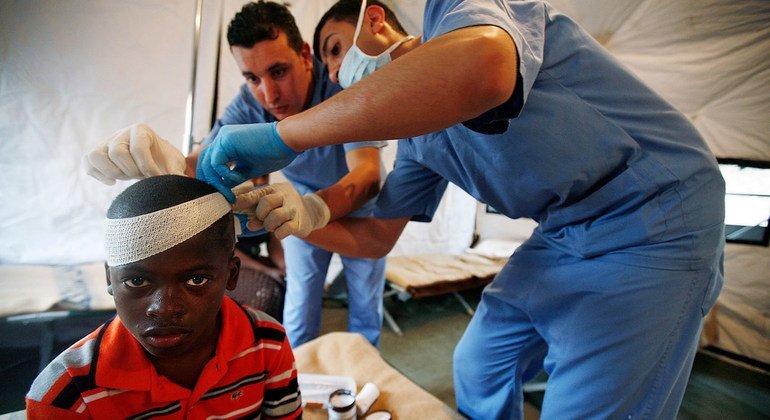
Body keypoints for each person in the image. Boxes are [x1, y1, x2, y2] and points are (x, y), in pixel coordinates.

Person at [200, 0, 726, 418]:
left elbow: (486, 69)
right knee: (479, 363)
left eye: (336, 50)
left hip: (656, 213)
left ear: (375, 20)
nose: (337, 74)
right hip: (565, 230)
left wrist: (283, 139)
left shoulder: (462, 13)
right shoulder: (422, 145)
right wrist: (296, 219)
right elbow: (377, 237)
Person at [84, 1, 389, 348]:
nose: (269, 95)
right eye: (252, 78)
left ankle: (369, 383)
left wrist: (314, 209)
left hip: (350, 209)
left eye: (279, 71)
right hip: (296, 211)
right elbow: (202, 162)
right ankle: (295, 388)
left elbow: (367, 175)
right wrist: (162, 159)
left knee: (365, 307)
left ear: (306, 55)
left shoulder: (340, 80)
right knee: (299, 307)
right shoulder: (248, 103)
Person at [25, 175, 301, 418]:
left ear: (231, 275)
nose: (165, 308)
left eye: (196, 280)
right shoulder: (68, 396)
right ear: (110, 278)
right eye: (137, 281)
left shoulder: (268, 344)